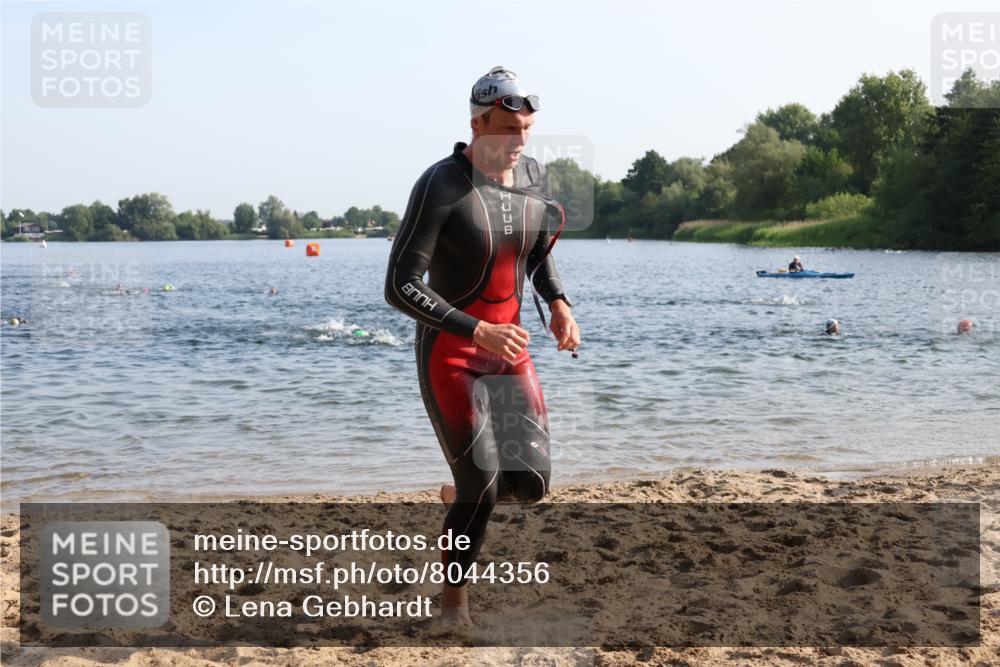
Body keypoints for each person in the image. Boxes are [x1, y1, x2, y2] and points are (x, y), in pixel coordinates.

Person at [385, 66, 580, 628]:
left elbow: (537, 252)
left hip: (510, 349)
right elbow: (399, 284)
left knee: (532, 485)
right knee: (483, 485)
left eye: (527, 132)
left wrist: (560, 304)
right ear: (477, 124)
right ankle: (453, 609)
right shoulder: (441, 185)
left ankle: (460, 495)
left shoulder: (533, 178)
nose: (519, 144)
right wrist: (474, 328)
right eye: (507, 132)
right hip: (451, 352)